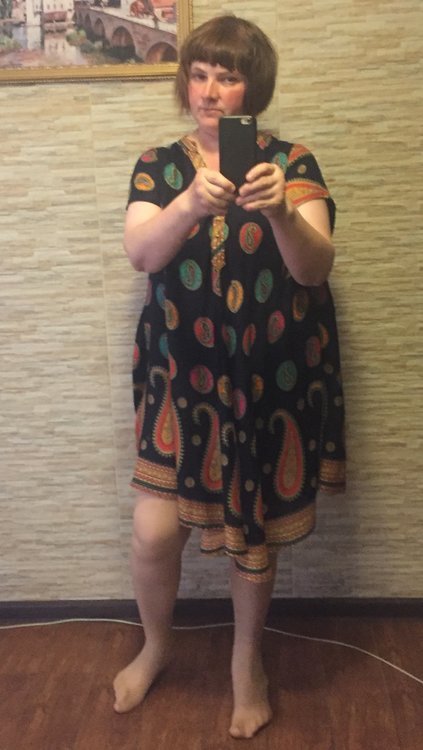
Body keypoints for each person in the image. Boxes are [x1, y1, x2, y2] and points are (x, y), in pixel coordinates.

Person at [113, 14, 346, 740]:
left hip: (265, 379)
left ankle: (248, 663)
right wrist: (189, 201)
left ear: (255, 88)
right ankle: (156, 644)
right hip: (180, 377)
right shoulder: (158, 165)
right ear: (186, 82)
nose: (210, 91)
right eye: (200, 74)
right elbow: (141, 254)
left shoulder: (292, 164)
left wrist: (281, 213)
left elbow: (313, 268)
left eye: (229, 76)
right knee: (154, 533)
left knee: (253, 536)